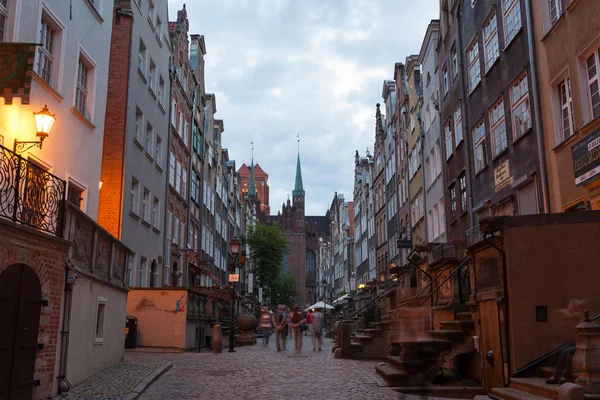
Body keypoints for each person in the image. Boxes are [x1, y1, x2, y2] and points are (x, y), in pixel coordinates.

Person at [546, 298, 587, 384]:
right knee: (563, 351)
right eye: (569, 307)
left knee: (568, 353)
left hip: (582, 345)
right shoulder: (572, 314)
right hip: (574, 343)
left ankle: (564, 376)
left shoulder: (579, 315)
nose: (569, 309)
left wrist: (578, 306)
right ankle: (556, 376)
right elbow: (563, 313)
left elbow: (569, 315)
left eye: (571, 307)